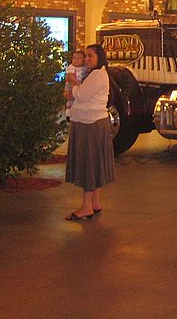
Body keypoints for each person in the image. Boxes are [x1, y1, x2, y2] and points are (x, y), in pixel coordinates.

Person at [64, 44, 114, 221]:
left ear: (99, 57)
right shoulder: (95, 74)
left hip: (90, 124)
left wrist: (73, 83)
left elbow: (82, 95)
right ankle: (94, 202)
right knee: (95, 163)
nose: (86, 59)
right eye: (85, 56)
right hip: (92, 122)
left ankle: (86, 206)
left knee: (89, 164)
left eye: (90, 56)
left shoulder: (97, 75)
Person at [64, 50, 86, 119]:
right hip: (71, 86)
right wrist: (78, 83)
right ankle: (69, 113)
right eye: (74, 58)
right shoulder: (71, 67)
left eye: (79, 58)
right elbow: (70, 76)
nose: (75, 60)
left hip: (79, 88)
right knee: (71, 100)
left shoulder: (85, 68)